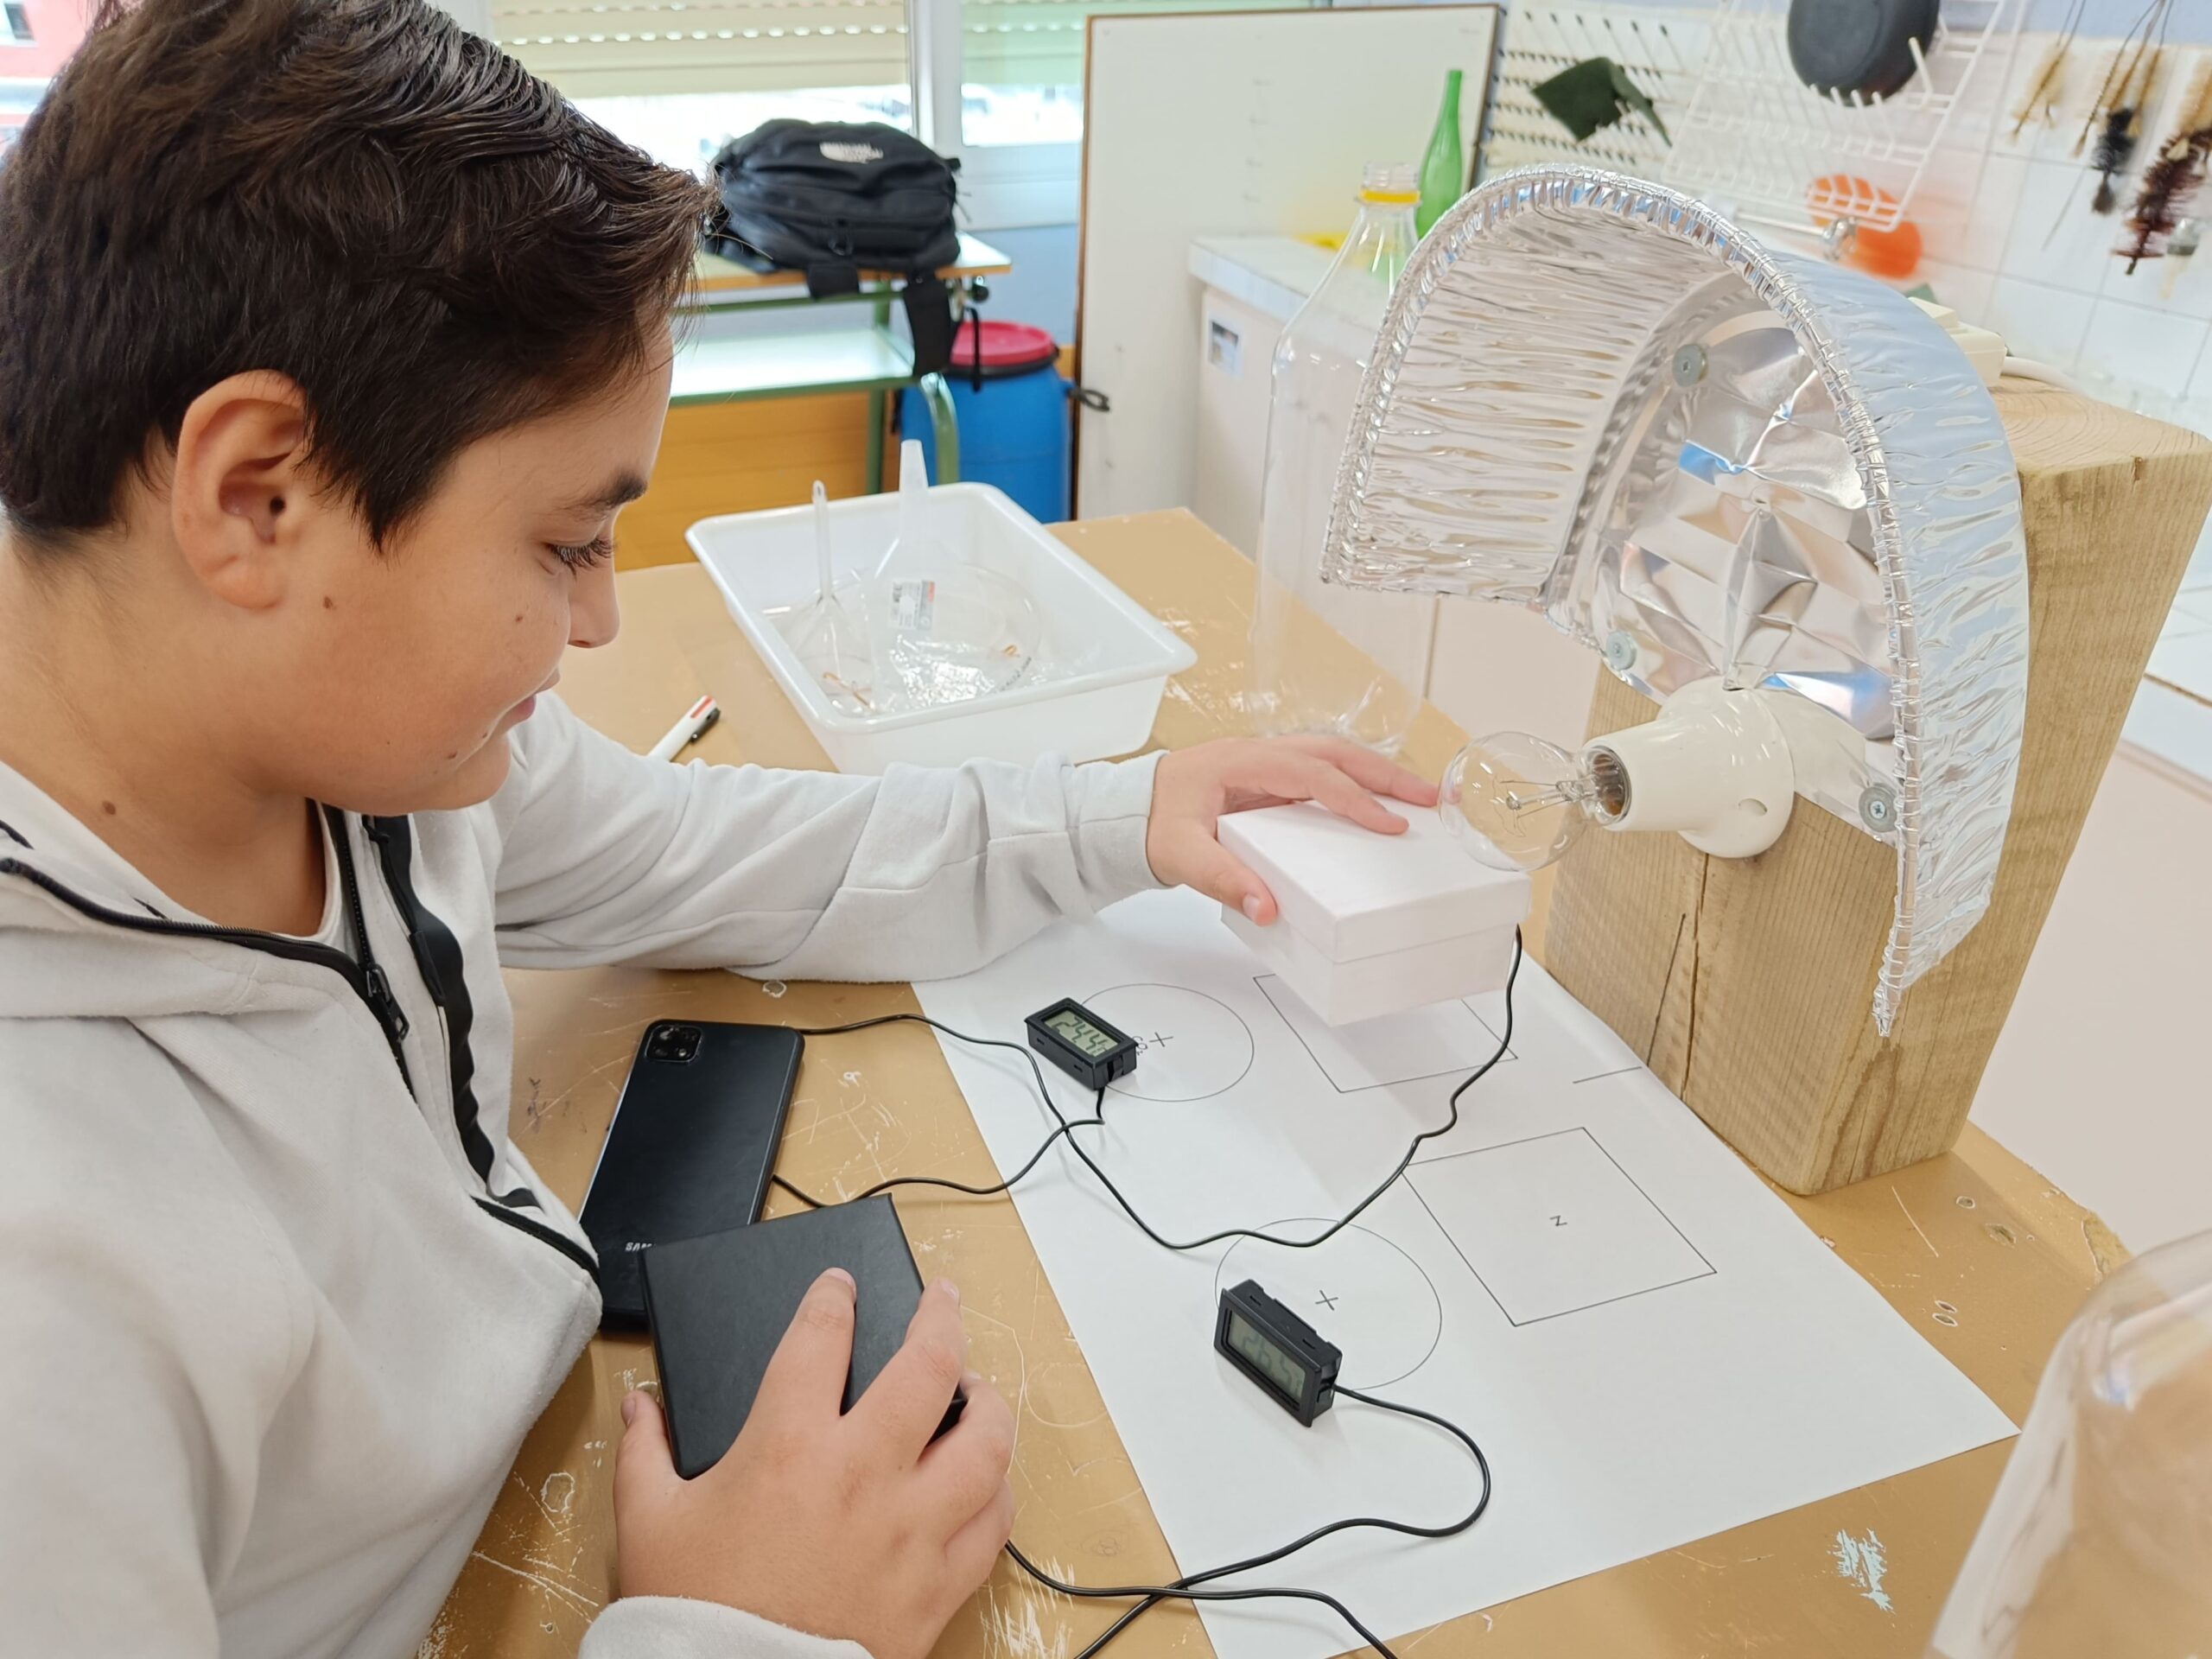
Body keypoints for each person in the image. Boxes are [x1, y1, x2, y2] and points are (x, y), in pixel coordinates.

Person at [0, 1, 1437, 1655]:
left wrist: (1125, 808)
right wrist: (736, 1630)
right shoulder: (54, 1293)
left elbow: (716, 851)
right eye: (565, 544)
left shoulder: (337, 745)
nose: (601, 622)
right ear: (258, 495)